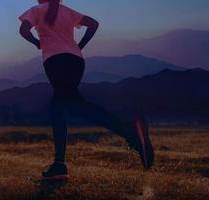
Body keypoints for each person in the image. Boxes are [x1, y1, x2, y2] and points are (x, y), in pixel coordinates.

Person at [18, 0, 154, 180]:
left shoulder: (36, 10)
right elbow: (93, 24)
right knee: (68, 108)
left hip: (56, 62)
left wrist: (37, 43)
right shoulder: (66, 11)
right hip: (76, 61)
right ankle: (60, 165)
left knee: (65, 108)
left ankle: (127, 131)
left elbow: (23, 30)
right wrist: (79, 46)